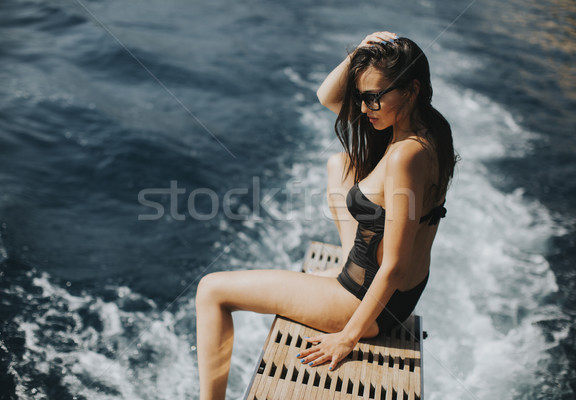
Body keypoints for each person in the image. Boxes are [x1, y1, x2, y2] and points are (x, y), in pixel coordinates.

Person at [195, 31, 457, 400]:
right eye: (362, 97)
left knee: (212, 290)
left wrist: (346, 337)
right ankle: (344, 267)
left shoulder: (404, 156)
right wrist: (359, 55)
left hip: (368, 301)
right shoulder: (431, 127)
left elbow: (395, 265)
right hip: (401, 291)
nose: (364, 109)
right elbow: (327, 97)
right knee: (340, 164)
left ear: (410, 90)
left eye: (373, 98)